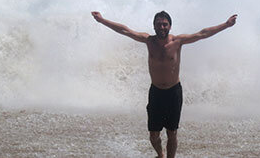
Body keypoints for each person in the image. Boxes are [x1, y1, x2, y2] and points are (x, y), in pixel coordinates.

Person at [91, 10, 237, 158]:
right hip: (156, 92)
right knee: (153, 135)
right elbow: (125, 30)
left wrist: (225, 25)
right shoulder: (149, 41)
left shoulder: (178, 41)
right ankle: (160, 155)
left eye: (165, 24)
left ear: (170, 26)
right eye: (159, 24)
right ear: (153, 26)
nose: (162, 27)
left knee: (172, 133)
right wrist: (102, 20)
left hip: (174, 92)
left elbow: (202, 34)